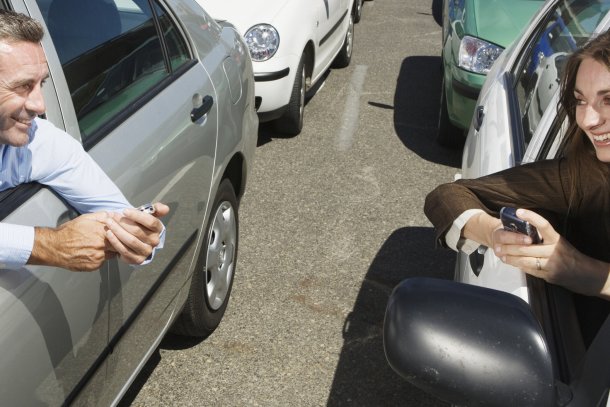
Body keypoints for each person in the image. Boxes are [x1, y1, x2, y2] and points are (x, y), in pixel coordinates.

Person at [424, 29, 610, 302]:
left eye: (608, 99)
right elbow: (446, 196)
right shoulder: (583, 177)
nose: (588, 120)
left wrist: (580, 269)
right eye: (580, 101)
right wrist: (495, 235)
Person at [0, 10, 168, 271]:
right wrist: (47, 245)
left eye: (40, 84)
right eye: (22, 86)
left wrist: (139, 236)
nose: (39, 105)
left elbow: (118, 212)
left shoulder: (39, 141)